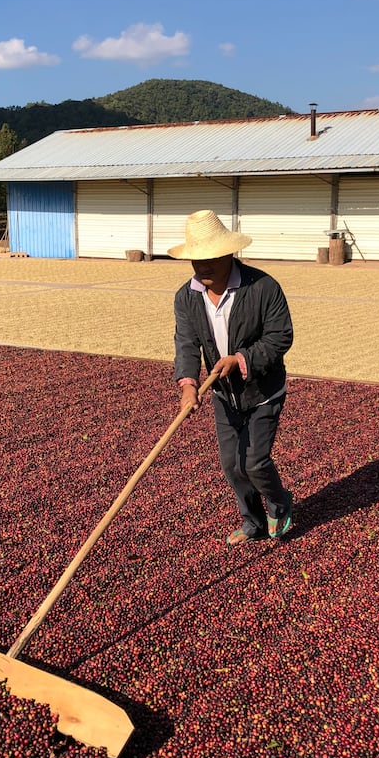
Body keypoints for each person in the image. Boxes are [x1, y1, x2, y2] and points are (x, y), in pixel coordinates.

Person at [169, 209, 294, 546]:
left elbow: (280, 337)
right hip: (224, 394)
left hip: (262, 390)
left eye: (209, 257)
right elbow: (186, 343)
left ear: (229, 252)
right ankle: (253, 523)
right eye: (196, 258)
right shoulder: (187, 297)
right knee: (232, 465)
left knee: (254, 461)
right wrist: (188, 384)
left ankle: (280, 503)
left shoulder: (263, 287)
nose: (202, 265)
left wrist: (241, 359)